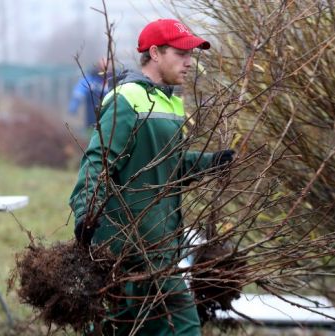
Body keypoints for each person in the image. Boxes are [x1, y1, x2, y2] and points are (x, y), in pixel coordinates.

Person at [68, 18, 235, 335]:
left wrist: (211, 162)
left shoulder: (171, 102)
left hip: (159, 240)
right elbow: (98, 161)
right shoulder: (126, 98)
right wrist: (86, 213)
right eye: (181, 53)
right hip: (127, 243)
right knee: (183, 325)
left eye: (191, 54)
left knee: (128, 327)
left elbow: (169, 164)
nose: (189, 62)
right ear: (155, 53)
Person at [68, 58, 121, 133]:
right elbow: (79, 92)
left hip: (112, 120)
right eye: (103, 64)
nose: (105, 66)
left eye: (107, 64)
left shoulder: (116, 79)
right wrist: (74, 105)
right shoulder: (91, 78)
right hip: (91, 119)